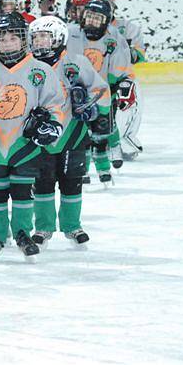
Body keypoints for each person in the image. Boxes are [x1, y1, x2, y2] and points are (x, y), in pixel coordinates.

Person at [0, 12, 64, 261]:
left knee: (23, 191)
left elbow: (54, 103)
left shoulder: (40, 70)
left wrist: (52, 124)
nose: (7, 44)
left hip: (25, 143)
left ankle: (23, 233)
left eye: (13, 39)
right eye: (2, 40)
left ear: (23, 40)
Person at [28, 16, 111, 247]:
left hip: (73, 135)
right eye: (35, 38)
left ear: (59, 38)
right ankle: (43, 227)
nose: (39, 42)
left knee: (72, 182)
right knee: (42, 182)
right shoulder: (30, 66)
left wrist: (95, 110)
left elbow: (100, 89)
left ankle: (72, 226)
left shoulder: (76, 63)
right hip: (41, 138)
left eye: (44, 36)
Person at [67, 0, 133, 185]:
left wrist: (114, 86)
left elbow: (119, 68)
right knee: (81, 136)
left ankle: (106, 164)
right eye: (89, 16)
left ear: (106, 20)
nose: (92, 22)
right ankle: (83, 170)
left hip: (103, 94)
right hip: (76, 95)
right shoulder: (70, 33)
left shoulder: (114, 38)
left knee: (101, 134)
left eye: (98, 18)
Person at [93, 0, 146, 161]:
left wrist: (123, 51)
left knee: (130, 93)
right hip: (94, 78)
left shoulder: (127, 27)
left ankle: (125, 137)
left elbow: (138, 54)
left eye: (106, 0)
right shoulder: (83, 30)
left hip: (120, 76)